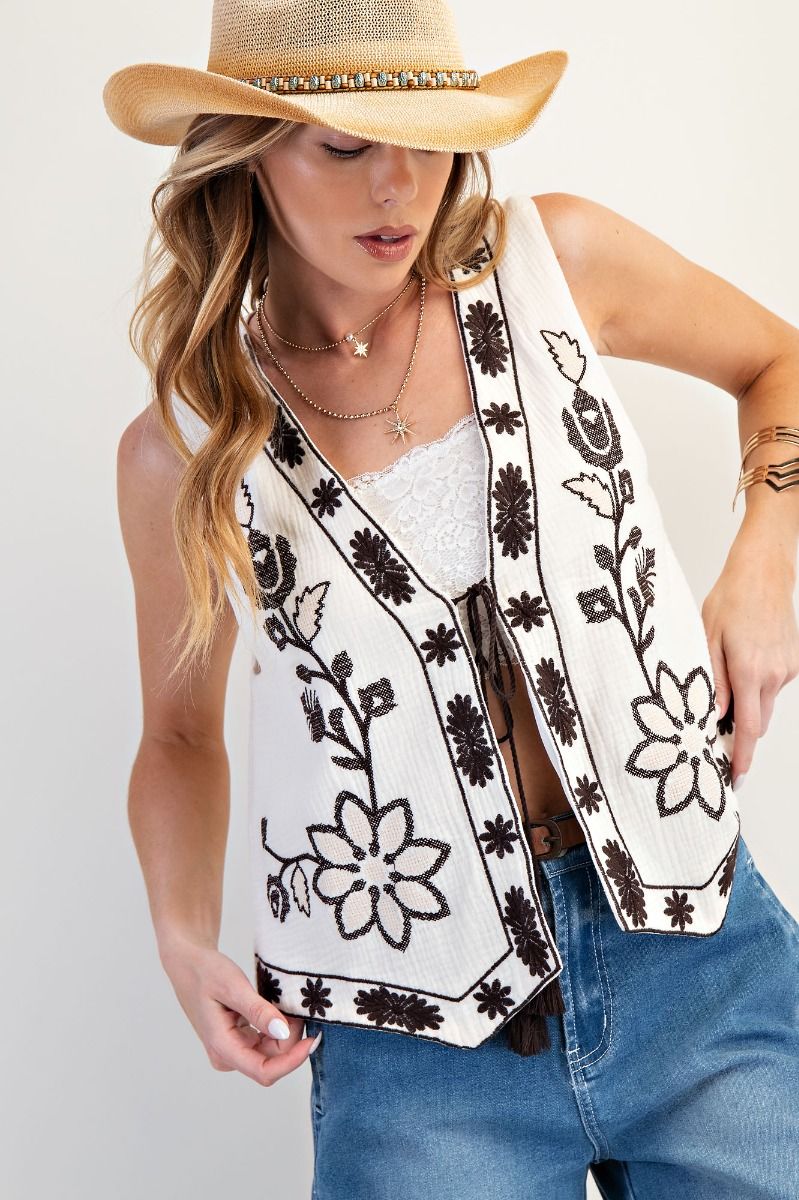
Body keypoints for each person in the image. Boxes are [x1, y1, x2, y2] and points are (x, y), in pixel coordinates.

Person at [105, 1, 799, 1195]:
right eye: (344, 146)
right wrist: (178, 934)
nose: (400, 185)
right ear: (246, 153)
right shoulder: (186, 447)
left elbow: (778, 361)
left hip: (698, 959)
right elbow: (176, 736)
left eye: (427, 138)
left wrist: (765, 566)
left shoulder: (553, 262)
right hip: (409, 1043)